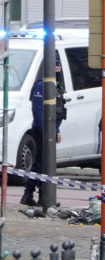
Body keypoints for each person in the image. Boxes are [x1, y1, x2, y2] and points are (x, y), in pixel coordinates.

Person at [20, 58, 67, 206]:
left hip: (50, 131)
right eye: (56, 68)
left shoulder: (55, 86)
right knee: (41, 165)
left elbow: (57, 112)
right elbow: (39, 112)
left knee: (43, 164)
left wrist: (56, 130)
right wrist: (47, 132)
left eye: (59, 68)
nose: (58, 70)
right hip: (42, 132)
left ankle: (36, 195)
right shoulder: (42, 86)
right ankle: (39, 196)